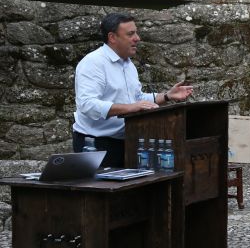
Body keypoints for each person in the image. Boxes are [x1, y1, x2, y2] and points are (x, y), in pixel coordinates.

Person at [73, 13, 194, 167]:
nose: (137, 38)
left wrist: (167, 96)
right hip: (95, 145)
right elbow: (87, 105)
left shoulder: (128, 64)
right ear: (112, 37)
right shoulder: (93, 63)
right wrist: (131, 108)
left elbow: (136, 99)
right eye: (131, 34)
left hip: (127, 141)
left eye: (136, 32)